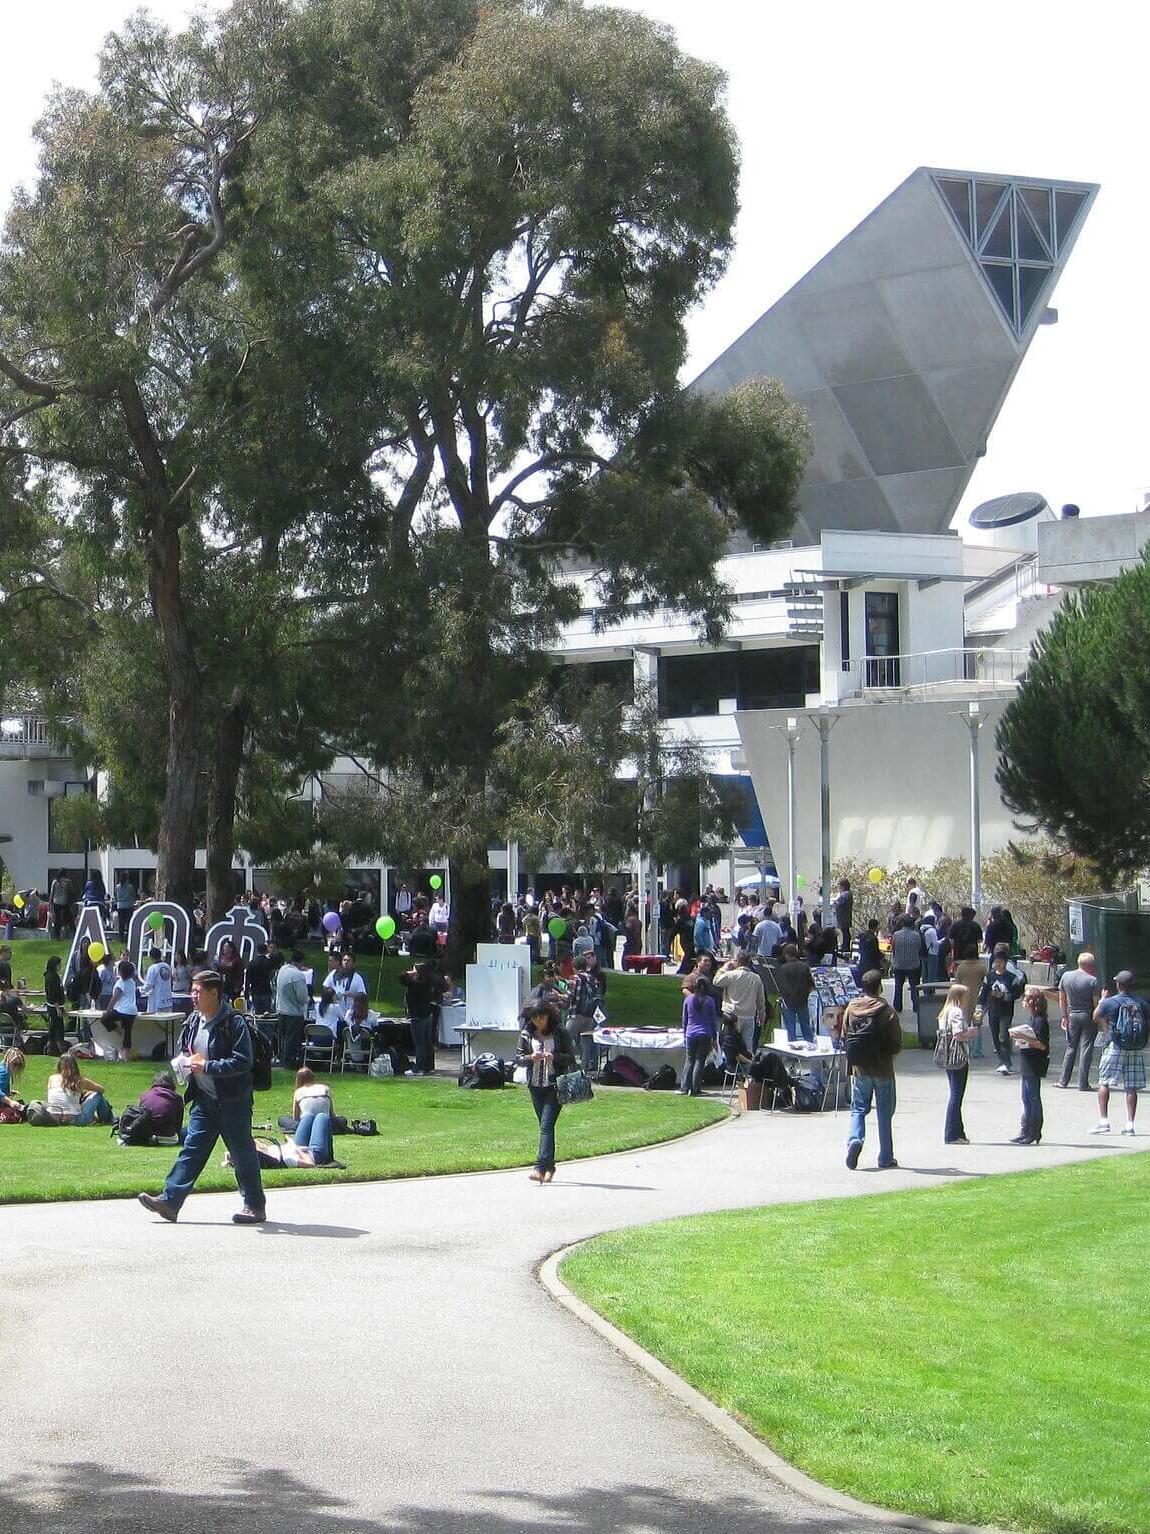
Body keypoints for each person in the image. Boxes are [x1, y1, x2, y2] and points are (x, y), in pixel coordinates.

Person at [137, 968, 267, 1224]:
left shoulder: (234, 1022)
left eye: (197, 991)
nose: (192, 996)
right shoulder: (194, 1020)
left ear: (214, 993)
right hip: (205, 1101)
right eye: (192, 991)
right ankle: (169, 1202)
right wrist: (185, 1064)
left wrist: (207, 1066)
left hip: (233, 1102)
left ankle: (255, 1206)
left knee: (242, 1155)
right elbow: (188, 1050)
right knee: (191, 1151)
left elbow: (243, 1061)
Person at [839, 969, 902, 1170]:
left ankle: (855, 1140)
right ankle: (885, 1157)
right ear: (880, 987)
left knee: (858, 1109)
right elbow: (896, 1043)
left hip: (859, 1069)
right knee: (884, 1113)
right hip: (883, 1068)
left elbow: (844, 1037)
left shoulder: (851, 1007)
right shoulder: (887, 1011)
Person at [515, 1001, 576, 1183]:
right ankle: (550, 1166)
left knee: (546, 1126)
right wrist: (529, 1058)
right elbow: (518, 1058)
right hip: (535, 1085)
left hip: (554, 1085)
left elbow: (571, 1056)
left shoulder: (560, 1032)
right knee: (545, 1127)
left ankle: (539, 1167)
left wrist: (554, 1057)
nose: (538, 1021)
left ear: (548, 1015)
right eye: (534, 1017)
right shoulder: (526, 1033)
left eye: (541, 1017)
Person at [1090, 970, 1149, 1136]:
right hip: (1135, 1047)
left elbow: (1095, 1016)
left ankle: (1104, 1121)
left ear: (1118, 984)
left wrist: (1101, 1000)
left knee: (1104, 1081)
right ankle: (1130, 1125)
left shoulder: (1111, 1002)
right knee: (1131, 1086)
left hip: (1115, 1045)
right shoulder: (1141, 1003)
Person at [936, 983, 978, 1144]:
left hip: (946, 1056)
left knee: (955, 1094)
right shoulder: (956, 1012)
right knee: (956, 1096)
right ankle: (951, 1134)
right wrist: (971, 1033)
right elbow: (958, 1034)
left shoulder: (944, 1012)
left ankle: (958, 1131)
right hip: (958, 1056)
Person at [1057, 951, 1103, 1091]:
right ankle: (1083, 1083)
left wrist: (1064, 1016)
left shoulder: (1066, 976)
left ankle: (1063, 1081)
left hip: (1072, 1015)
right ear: (1090, 966)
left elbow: (1062, 999)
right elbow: (1096, 1003)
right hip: (1088, 1015)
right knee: (1086, 1048)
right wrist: (1100, 1020)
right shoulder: (1092, 980)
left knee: (1071, 1047)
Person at [1010, 987, 1050, 1144]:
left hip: (1035, 1063)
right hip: (1027, 1062)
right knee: (1025, 1097)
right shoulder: (1033, 1018)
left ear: (1034, 1003)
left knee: (1033, 1097)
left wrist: (1022, 1036)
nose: (1023, 1003)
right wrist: (1021, 1039)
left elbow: (1041, 1045)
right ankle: (1025, 1130)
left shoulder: (1040, 1021)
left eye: (1026, 1000)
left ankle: (1034, 1132)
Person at [978, 944, 1025, 1075]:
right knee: (995, 1037)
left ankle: (1006, 1062)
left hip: (1006, 1011)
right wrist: (979, 1007)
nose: (996, 964)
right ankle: (1002, 1059)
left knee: (1003, 1036)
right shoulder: (990, 976)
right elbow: (983, 993)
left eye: (999, 962)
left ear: (1004, 963)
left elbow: (1016, 993)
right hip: (993, 1010)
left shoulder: (1011, 977)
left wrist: (1004, 996)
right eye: (995, 962)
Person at [399, 958, 448, 1076]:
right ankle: (428, 1066)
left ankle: (418, 1068)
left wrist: (412, 972)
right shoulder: (428, 983)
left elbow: (401, 977)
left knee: (419, 1043)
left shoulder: (415, 984)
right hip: (427, 1015)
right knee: (427, 1042)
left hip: (417, 1016)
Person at [713, 949, 767, 1054]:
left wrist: (725, 967)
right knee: (747, 1046)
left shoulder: (731, 975)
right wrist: (762, 1014)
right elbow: (760, 999)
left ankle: (729, 1068)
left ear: (738, 961)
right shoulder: (756, 978)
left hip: (732, 1015)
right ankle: (746, 1068)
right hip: (749, 1015)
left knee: (729, 1044)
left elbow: (716, 981)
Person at [43, 1053, 114, 1126]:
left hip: (53, 1118)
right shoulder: (79, 1080)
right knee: (98, 1095)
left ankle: (102, 1119)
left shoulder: (52, 1078)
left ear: (59, 1066)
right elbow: (101, 1089)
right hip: (74, 1120)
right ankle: (108, 1120)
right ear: (75, 1066)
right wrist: (88, 1093)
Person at [680, 974, 719, 1096]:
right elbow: (713, 1021)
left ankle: (684, 1087)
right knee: (700, 1060)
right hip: (705, 1034)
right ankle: (695, 1088)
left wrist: (685, 1032)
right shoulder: (710, 1001)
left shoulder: (688, 999)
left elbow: (684, 1019)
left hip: (690, 1033)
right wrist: (714, 1037)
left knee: (689, 1060)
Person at [290, 1067, 336, 1163]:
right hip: (303, 1152)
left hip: (301, 1151)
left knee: (311, 1117)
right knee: (320, 1116)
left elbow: (296, 1117)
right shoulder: (325, 1088)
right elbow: (332, 1114)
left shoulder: (299, 1092)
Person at [275, 949, 312, 1070]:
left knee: (283, 1037)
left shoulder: (283, 970)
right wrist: (308, 998)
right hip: (293, 1013)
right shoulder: (298, 976)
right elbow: (302, 998)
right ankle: (289, 1062)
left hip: (281, 1010)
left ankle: (282, 1058)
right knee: (291, 1039)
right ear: (301, 961)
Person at [774, 943, 815, 1043]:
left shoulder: (783, 968)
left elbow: (781, 986)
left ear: (786, 955)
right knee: (805, 1026)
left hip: (788, 1002)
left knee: (790, 1029)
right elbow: (811, 984)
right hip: (802, 1000)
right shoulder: (804, 966)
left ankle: (793, 1053)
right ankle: (810, 1046)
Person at [320, 952, 368, 1033]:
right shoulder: (334, 974)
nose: (346, 962)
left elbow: (363, 996)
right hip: (334, 1013)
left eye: (348, 961)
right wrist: (331, 994)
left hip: (349, 1014)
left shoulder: (357, 978)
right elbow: (325, 988)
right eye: (344, 960)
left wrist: (351, 994)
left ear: (353, 963)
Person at [103, 959, 139, 1061]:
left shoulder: (120, 984)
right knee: (128, 1032)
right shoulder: (132, 982)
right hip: (132, 1011)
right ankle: (125, 1057)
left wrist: (108, 1010)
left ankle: (119, 1032)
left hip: (122, 1010)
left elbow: (115, 998)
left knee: (105, 1019)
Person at [889, 915, 924, 1014]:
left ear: (902, 924)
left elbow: (893, 949)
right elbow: (919, 948)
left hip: (899, 964)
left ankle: (897, 1006)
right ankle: (916, 1006)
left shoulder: (896, 935)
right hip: (913, 964)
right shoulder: (916, 935)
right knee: (914, 986)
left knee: (898, 986)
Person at [138, 1069, 185, 1139]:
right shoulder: (177, 1098)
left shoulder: (144, 1095)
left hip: (147, 1135)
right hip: (168, 1136)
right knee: (188, 1131)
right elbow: (178, 1125)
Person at [244, 942, 277, 1017]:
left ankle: (259, 1027)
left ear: (257, 951)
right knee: (268, 1013)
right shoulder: (269, 962)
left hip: (255, 991)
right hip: (266, 990)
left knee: (258, 1013)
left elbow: (247, 979)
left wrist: (246, 992)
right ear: (266, 951)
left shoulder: (252, 963)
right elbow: (272, 976)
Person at [43, 955, 67, 1055]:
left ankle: (51, 1048)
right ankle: (59, 1048)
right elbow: (53, 995)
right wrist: (58, 1008)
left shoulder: (55, 976)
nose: (60, 966)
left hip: (57, 1005)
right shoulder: (51, 977)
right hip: (54, 1006)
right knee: (59, 1028)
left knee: (53, 1028)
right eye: (59, 964)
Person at [139, 947, 174, 1014]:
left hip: (157, 1000)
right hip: (168, 1000)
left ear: (151, 957)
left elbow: (149, 985)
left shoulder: (153, 968)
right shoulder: (167, 966)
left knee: (155, 1022)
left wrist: (139, 991)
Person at [0, 1047, 26, 1122]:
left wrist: (8, 1092)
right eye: (14, 1064)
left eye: (19, 1065)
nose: (16, 1067)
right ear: (8, 1060)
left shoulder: (4, 1069)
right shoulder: (4, 1072)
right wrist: (10, 1102)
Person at [49, 872, 75, 939]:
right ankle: (74, 933)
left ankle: (57, 935)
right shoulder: (67, 882)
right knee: (69, 919)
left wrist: (50, 904)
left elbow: (52, 893)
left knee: (57, 920)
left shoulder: (55, 882)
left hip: (56, 902)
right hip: (65, 902)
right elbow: (71, 892)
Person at [113, 875, 137, 942]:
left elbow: (116, 895)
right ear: (127, 879)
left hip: (120, 906)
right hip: (128, 906)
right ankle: (129, 936)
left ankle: (121, 937)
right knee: (129, 922)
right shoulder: (130, 887)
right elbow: (133, 895)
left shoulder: (117, 887)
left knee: (121, 923)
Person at [832, 878, 853, 953]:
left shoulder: (845, 894)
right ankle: (845, 946)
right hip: (845, 916)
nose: (838, 888)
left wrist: (834, 902)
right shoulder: (848, 893)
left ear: (843, 886)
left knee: (845, 932)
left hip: (843, 917)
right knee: (845, 931)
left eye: (839, 886)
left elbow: (839, 903)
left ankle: (845, 947)